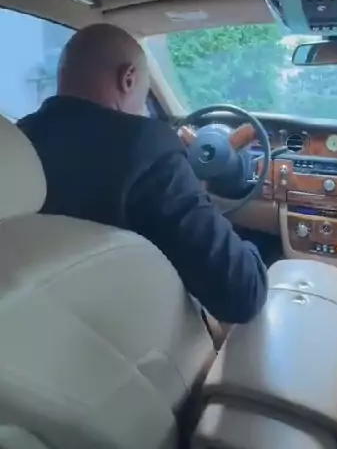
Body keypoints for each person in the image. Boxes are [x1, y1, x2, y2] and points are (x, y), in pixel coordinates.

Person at [17, 23, 268, 324]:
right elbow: (243, 294)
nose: (144, 109)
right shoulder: (145, 146)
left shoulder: (17, 141)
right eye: (145, 96)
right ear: (128, 79)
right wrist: (253, 249)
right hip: (130, 329)